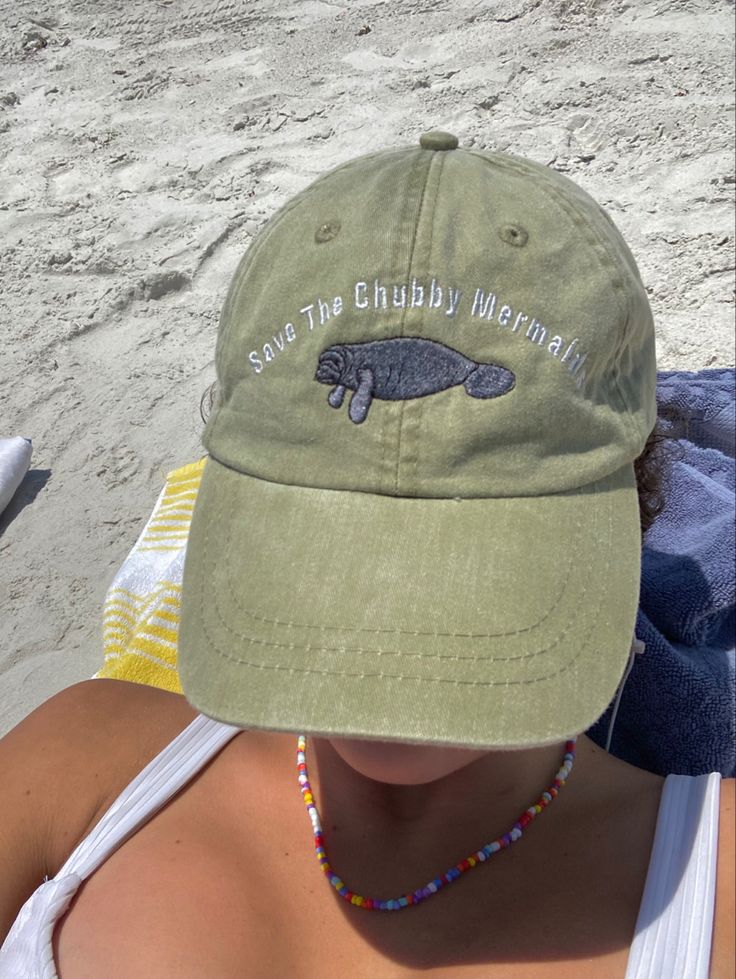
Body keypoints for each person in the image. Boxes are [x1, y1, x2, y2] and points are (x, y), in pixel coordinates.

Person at [1, 131, 733, 979]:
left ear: (641, 495)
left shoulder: (714, 888)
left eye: (475, 563)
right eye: (334, 553)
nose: (390, 638)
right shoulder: (86, 757)